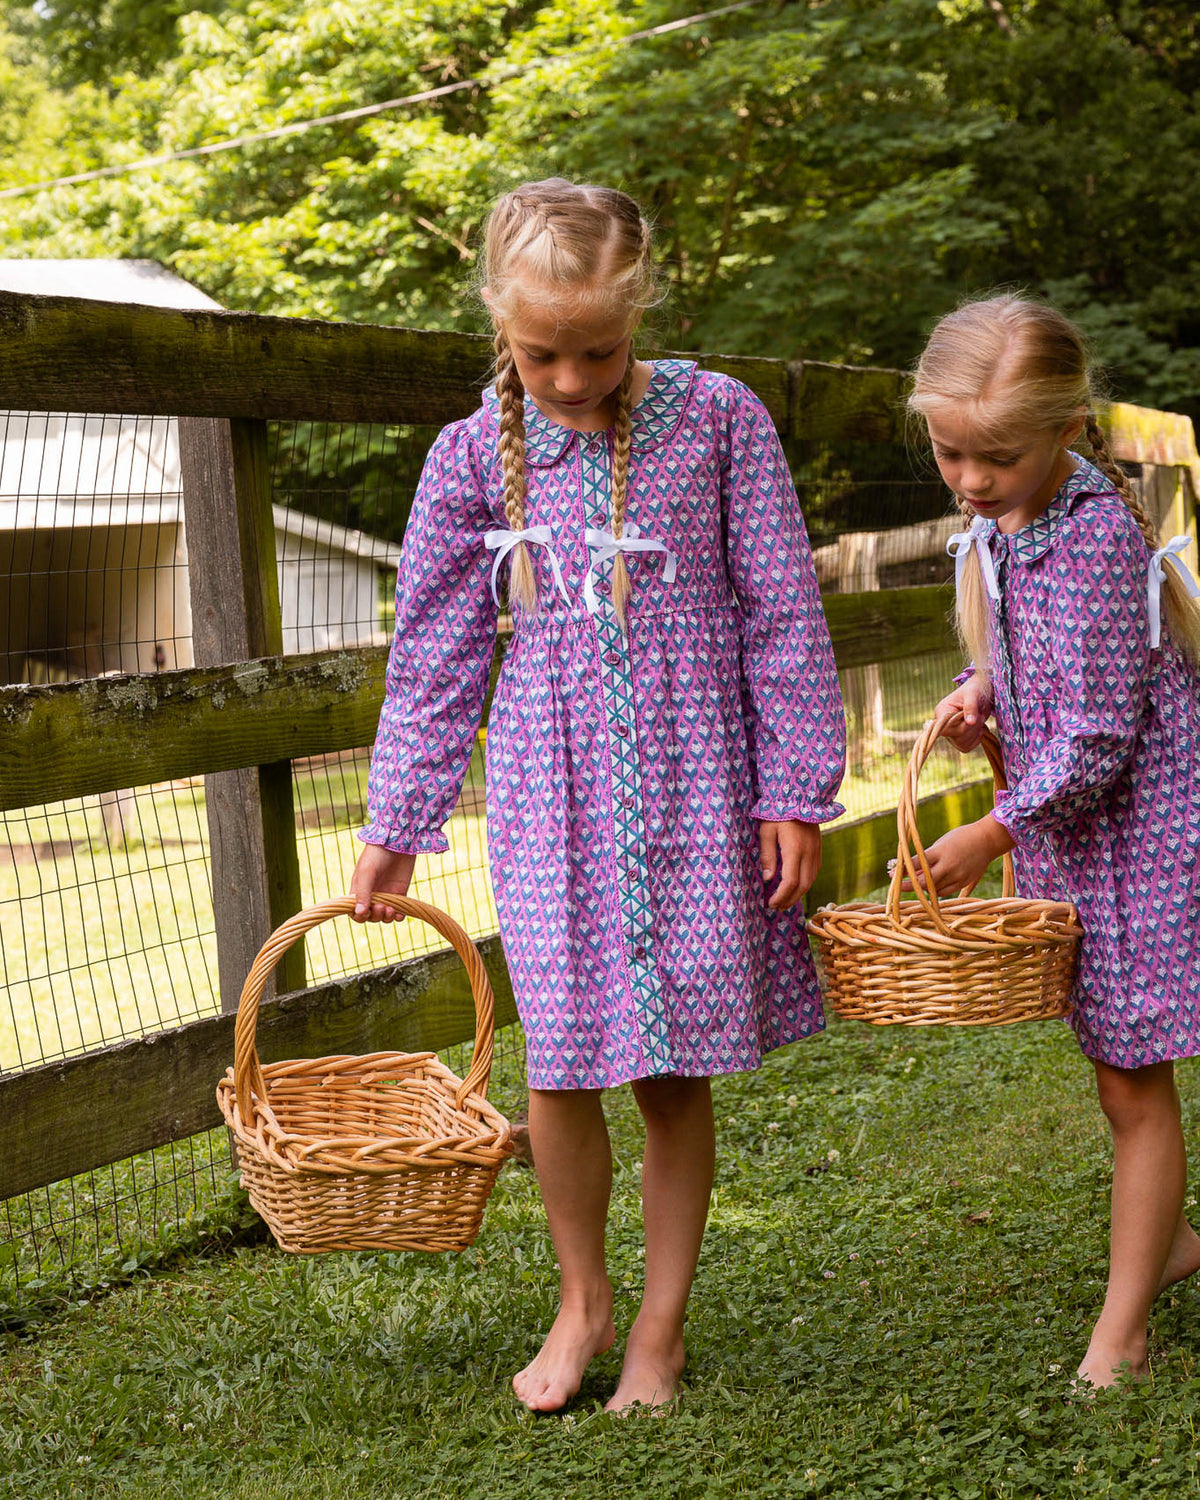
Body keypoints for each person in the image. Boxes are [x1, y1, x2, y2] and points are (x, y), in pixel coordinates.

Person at [350, 178, 846, 1413]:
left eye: (600, 351)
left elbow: (783, 616)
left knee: (673, 1066)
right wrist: (397, 826)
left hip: (695, 785)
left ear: (643, 316)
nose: (572, 380)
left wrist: (793, 788)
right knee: (559, 1067)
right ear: (498, 329)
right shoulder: (469, 458)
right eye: (542, 354)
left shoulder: (720, 420)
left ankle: (662, 1331)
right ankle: (583, 1303)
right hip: (546, 794)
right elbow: (435, 655)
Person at [909, 292, 1200, 1390]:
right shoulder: (1012, 522)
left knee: (1134, 1073)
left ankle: (1121, 1330)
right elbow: (1036, 664)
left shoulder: (1085, 541)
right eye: (950, 454)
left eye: (997, 457)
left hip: (1138, 832)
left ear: (1071, 430)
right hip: (1085, 831)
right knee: (1113, 1058)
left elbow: (1096, 740)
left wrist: (992, 831)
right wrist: (981, 689)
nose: (973, 479)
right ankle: (1163, 1244)